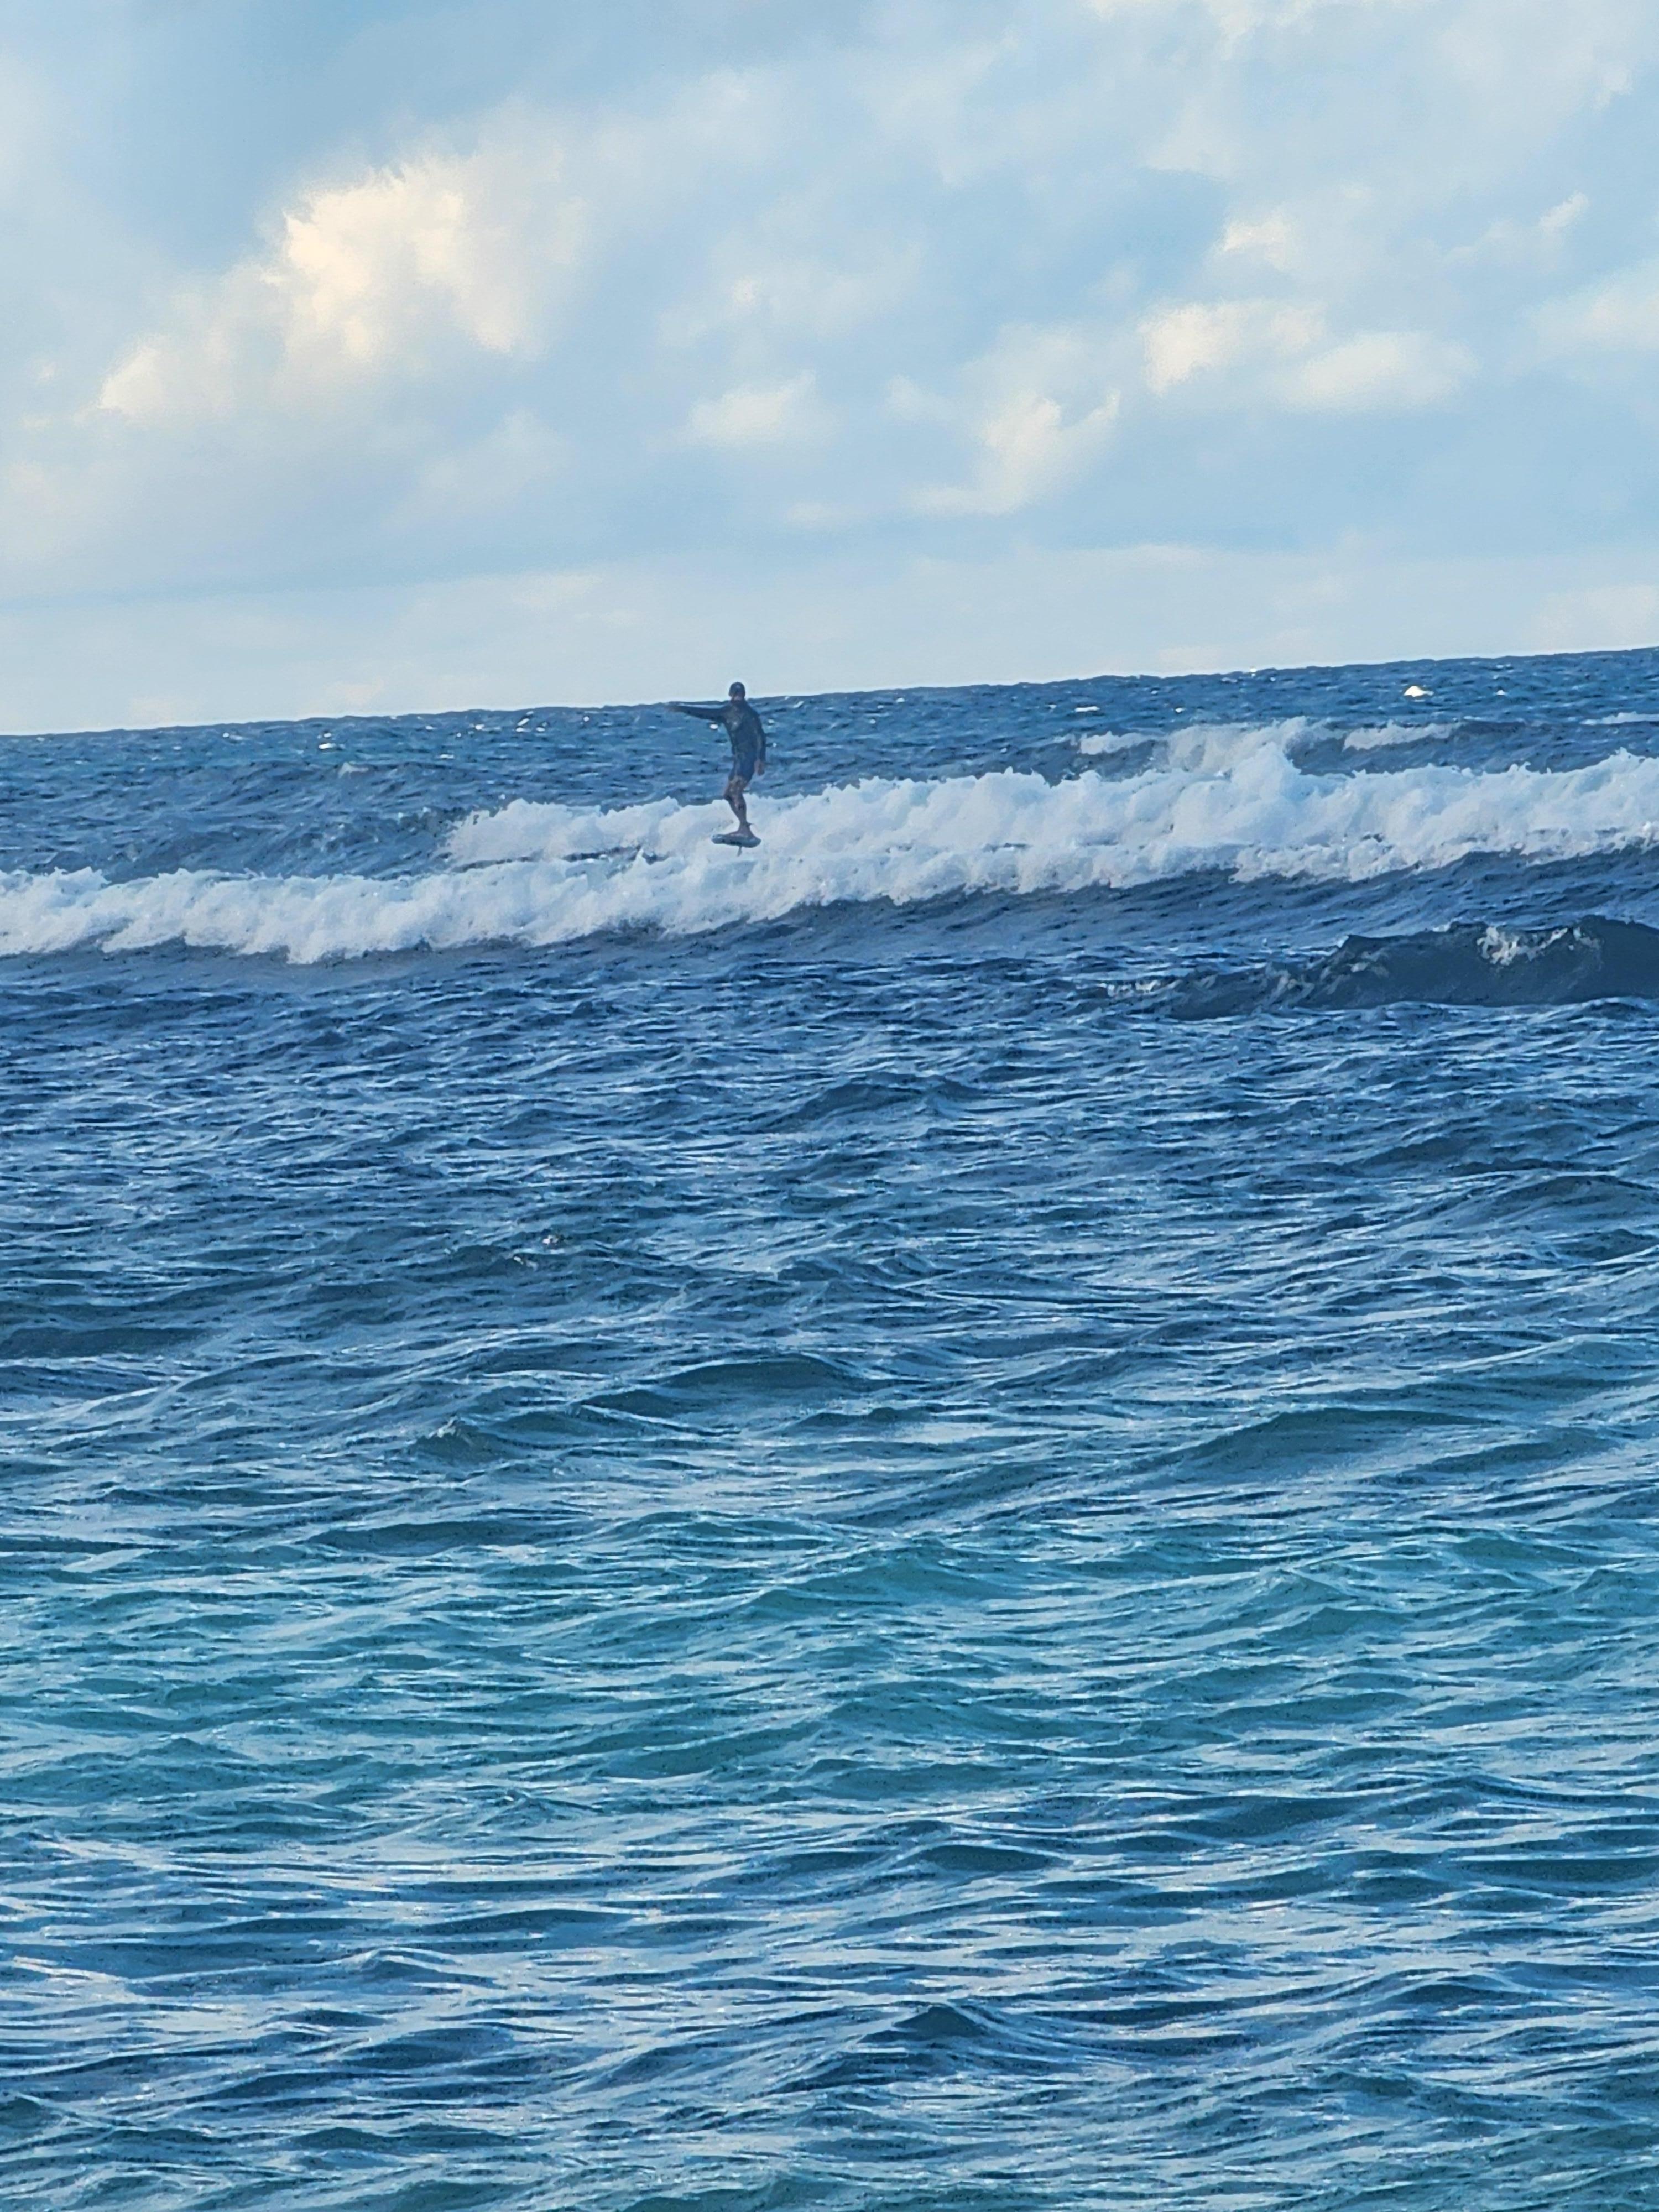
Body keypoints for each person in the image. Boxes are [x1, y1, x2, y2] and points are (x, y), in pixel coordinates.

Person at [667, 682, 767, 839]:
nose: (738, 697)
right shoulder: (726, 713)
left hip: (749, 759)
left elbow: (761, 737)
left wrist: (760, 760)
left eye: (740, 694)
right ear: (730, 695)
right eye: (735, 694)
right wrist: (682, 708)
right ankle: (744, 826)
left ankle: (745, 830)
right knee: (727, 794)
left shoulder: (750, 715)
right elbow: (704, 713)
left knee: (736, 791)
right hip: (738, 760)